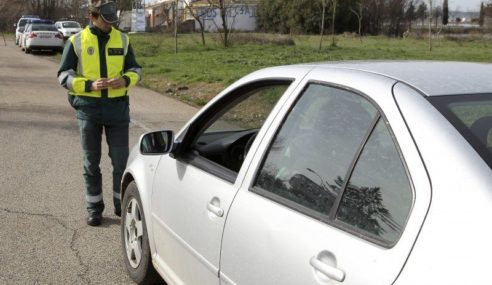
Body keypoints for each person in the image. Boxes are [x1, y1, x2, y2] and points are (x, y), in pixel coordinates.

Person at [57, 0, 142, 226]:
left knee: (121, 163)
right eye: (105, 20)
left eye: (112, 20)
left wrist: (124, 80)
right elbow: (64, 75)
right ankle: (94, 208)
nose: (109, 25)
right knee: (91, 163)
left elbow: (136, 70)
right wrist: (89, 85)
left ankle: (120, 206)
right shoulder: (76, 42)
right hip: (89, 111)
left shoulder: (123, 40)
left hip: (117, 111)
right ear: (92, 17)